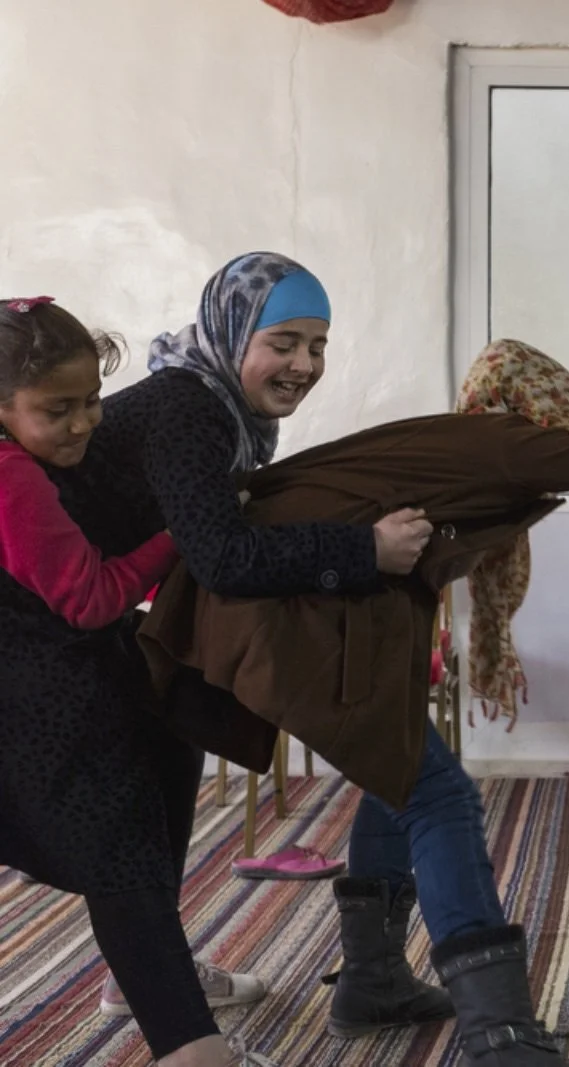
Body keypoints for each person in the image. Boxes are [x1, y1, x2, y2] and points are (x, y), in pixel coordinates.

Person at [93, 250, 569, 1067]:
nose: (307, 363)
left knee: (390, 774)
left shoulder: (337, 425)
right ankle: (498, 1031)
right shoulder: (505, 444)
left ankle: (371, 979)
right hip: (234, 627)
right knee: (438, 795)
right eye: (287, 341)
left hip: (271, 624)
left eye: (318, 345)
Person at [0, 296, 271, 1067]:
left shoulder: (28, 457)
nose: (88, 422)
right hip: (39, 696)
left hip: (48, 680)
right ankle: (191, 1048)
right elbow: (88, 598)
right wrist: (181, 536)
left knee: (165, 755)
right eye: (61, 408)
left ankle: (151, 980)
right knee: (122, 854)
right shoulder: (12, 477)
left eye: (92, 399)